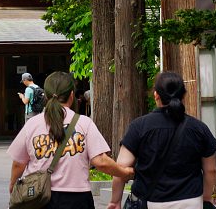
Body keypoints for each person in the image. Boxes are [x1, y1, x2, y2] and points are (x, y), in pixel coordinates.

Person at [8, 71, 132, 209]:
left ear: (46, 96)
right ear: (72, 95)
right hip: (77, 199)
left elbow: (18, 163)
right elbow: (101, 162)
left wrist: (13, 185)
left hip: (40, 197)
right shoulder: (84, 123)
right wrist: (125, 172)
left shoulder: (32, 124)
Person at [108, 71, 216, 209]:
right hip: (191, 201)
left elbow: (121, 168)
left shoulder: (139, 127)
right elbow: (211, 169)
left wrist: (115, 201)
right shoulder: (199, 129)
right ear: (183, 95)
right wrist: (206, 198)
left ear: (156, 95)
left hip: (150, 202)